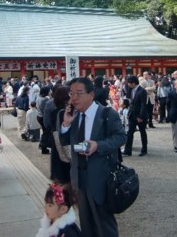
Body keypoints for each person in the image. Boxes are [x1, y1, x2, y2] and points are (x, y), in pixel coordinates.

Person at [60, 77, 126, 237]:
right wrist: (66, 125)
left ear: (91, 94)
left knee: (104, 224)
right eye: (71, 93)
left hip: (101, 177)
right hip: (79, 178)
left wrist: (98, 145)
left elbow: (121, 137)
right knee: (86, 223)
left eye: (79, 93)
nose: (74, 98)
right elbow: (64, 142)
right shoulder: (73, 115)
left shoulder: (106, 113)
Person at [123, 75, 148, 157]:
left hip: (140, 115)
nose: (128, 85)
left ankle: (144, 149)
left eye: (129, 83)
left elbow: (143, 105)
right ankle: (127, 150)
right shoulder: (131, 90)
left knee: (142, 132)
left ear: (133, 83)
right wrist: (129, 113)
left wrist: (141, 116)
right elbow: (131, 103)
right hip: (132, 114)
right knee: (130, 133)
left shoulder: (142, 91)